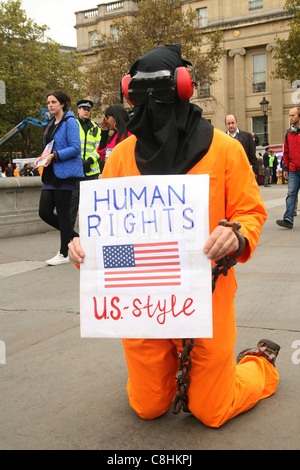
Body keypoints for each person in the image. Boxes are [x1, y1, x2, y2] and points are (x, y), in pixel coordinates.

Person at [68, 44, 280, 428]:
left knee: (211, 410)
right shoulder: (120, 157)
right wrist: (82, 242)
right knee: (148, 406)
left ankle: (258, 364)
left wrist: (237, 234)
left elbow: (251, 212)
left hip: (209, 295)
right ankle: (160, 375)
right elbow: (101, 220)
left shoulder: (225, 150)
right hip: (142, 300)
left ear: (184, 89)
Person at [35, 89, 84, 265]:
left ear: (62, 104)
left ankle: (64, 253)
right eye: (48, 102)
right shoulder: (50, 123)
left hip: (65, 173)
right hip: (50, 173)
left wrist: (54, 155)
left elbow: (75, 148)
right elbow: (49, 145)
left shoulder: (70, 121)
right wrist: (42, 157)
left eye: (53, 102)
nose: (50, 105)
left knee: (63, 214)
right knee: (44, 212)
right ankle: (76, 236)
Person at [69, 99, 102, 232]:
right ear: (78, 110)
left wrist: (89, 161)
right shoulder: (72, 125)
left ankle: (90, 232)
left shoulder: (95, 127)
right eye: (83, 109)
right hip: (75, 171)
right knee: (72, 204)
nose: (86, 111)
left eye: (88, 109)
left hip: (91, 171)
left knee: (90, 206)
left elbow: (100, 147)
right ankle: (69, 233)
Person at [276, 106, 300, 229]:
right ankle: (288, 219)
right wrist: (285, 168)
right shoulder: (289, 134)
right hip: (293, 170)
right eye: (289, 115)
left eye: (293, 115)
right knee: (291, 193)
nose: (290, 118)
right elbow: (286, 152)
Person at [96, 104, 131, 169]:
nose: (106, 121)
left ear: (116, 117)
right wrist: (104, 133)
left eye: (108, 118)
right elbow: (102, 155)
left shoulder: (129, 136)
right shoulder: (113, 137)